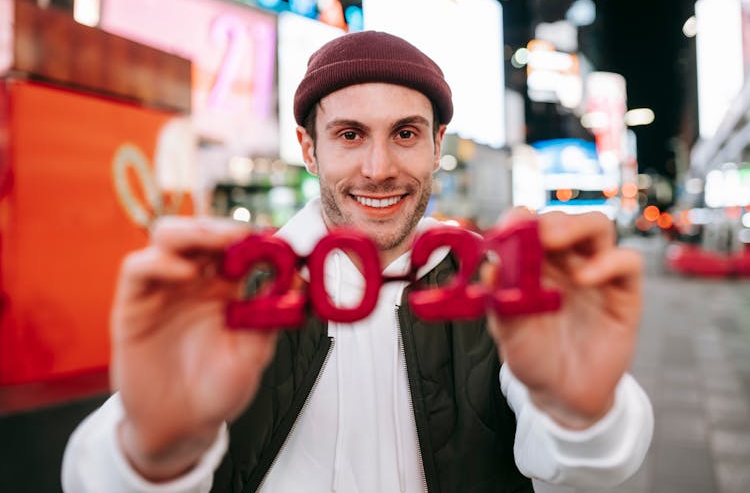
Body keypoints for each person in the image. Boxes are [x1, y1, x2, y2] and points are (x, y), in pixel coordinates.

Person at [62, 31, 653, 493]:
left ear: (436, 144)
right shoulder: (240, 293)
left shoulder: (491, 287)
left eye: (404, 133)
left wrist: (584, 413)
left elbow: (591, 467)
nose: (377, 168)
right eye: (349, 134)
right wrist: (154, 447)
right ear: (308, 149)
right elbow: (103, 477)